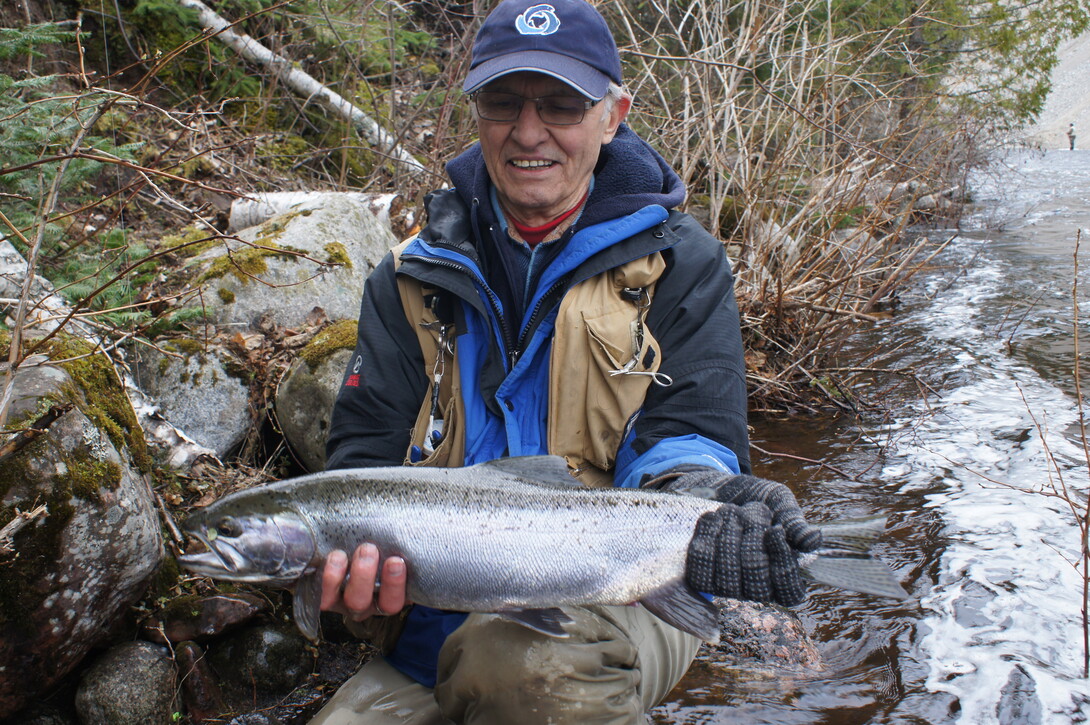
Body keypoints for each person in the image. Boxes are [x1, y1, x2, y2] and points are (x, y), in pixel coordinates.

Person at [312, 0, 822, 721]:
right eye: (502, 102)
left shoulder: (682, 263)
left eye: (561, 105)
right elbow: (359, 461)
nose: (528, 132)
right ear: (475, 110)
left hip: (621, 590)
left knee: (531, 670)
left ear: (614, 115)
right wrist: (350, 577)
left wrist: (705, 498)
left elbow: (687, 434)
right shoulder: (404, 279)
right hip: (433, 625)